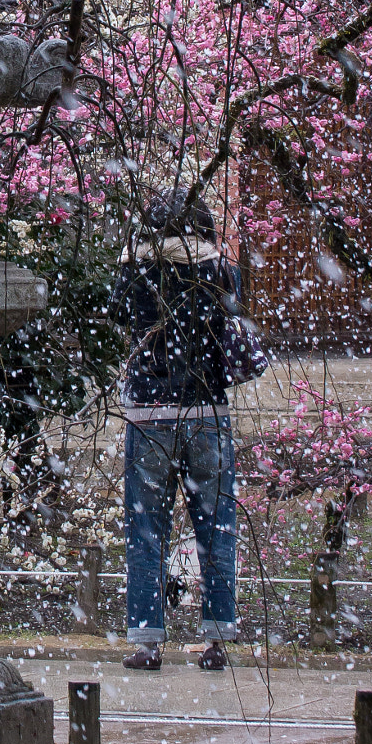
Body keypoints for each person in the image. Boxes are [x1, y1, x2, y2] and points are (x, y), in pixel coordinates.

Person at [109, 188, 242, 672]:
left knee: (146, 530)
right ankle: (216, 641)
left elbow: (116, 313)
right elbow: (234, 318)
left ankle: (147, 643)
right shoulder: (220, 271)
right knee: (216, 526)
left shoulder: (134, 271)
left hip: (148, 414)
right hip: (207, 413)